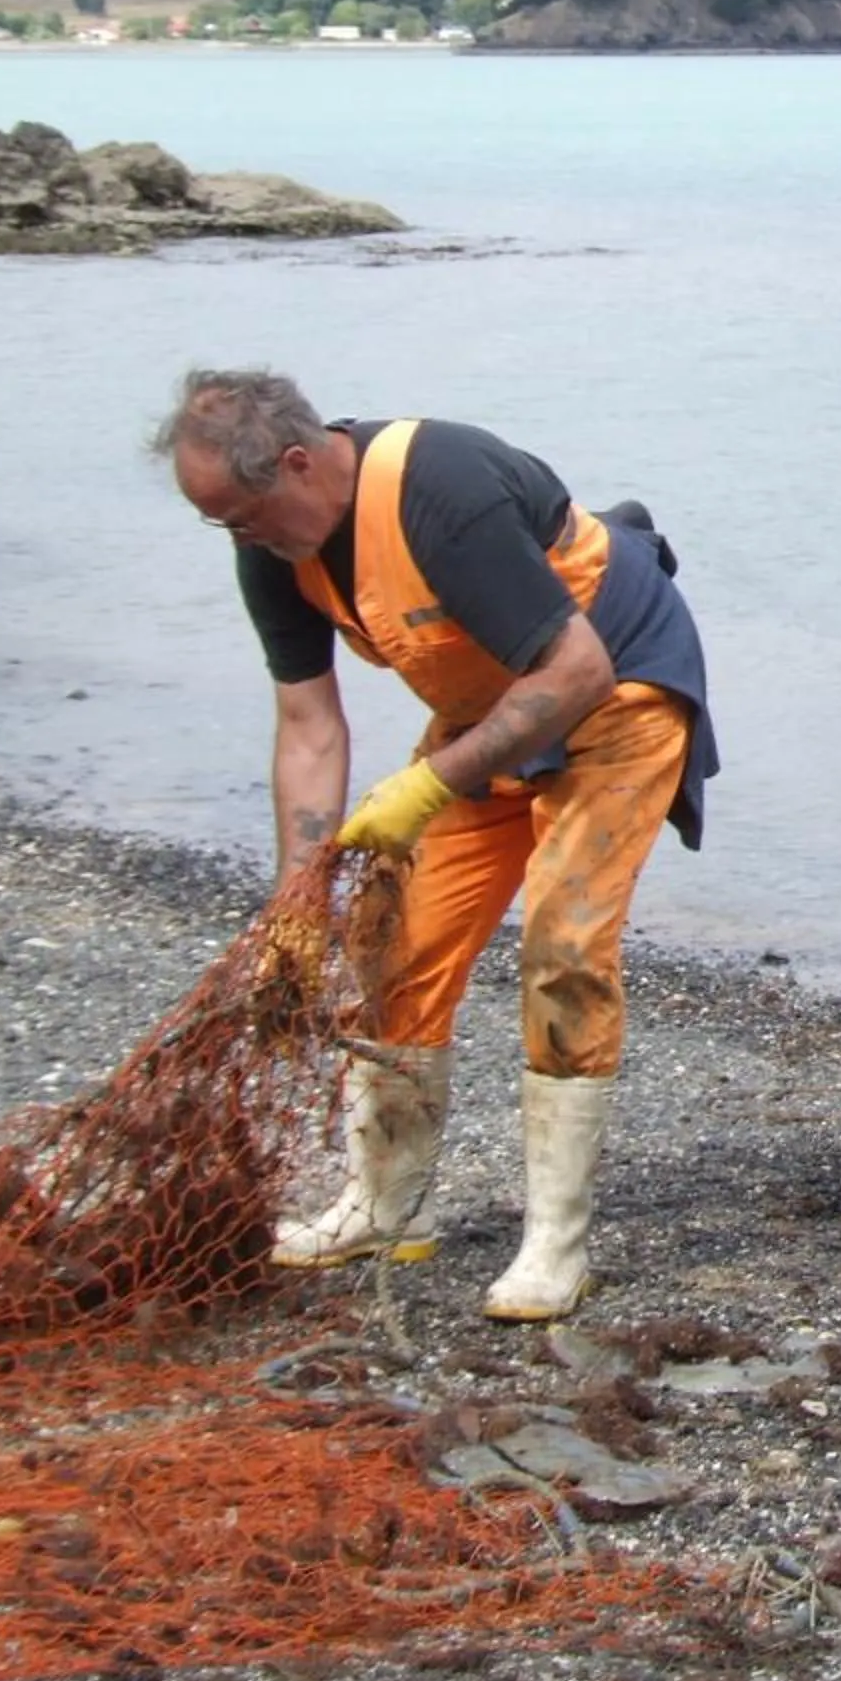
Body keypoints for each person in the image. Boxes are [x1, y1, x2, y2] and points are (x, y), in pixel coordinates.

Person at [154, 369, 715, 1324]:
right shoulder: (276, 548)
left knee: (565, 948)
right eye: (222, 526)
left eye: (242, 517)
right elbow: (309, 729)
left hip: (615, 692)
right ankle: (386, 1205)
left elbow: (576, 669)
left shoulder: (439, 491)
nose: (240, 540)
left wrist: (427, 784)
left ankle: (555, 1247)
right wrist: (297, 903)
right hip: (492, 714)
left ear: (297, 462)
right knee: (392, 942)